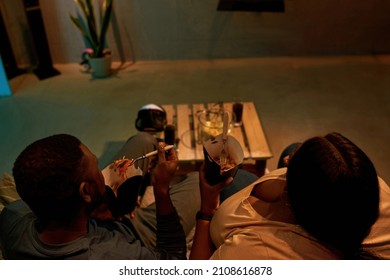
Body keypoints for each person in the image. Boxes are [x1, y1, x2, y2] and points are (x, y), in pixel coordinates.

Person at [0, 132, 200, 259]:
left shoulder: (14, 214)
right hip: (136, 236)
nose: (103, 170)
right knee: (200, 179)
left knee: (143, 140)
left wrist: (92, 211)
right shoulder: (111, 256)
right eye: (96, 165)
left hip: (93, 216)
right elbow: (173, 259)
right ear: (86, 191)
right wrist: (160, 188)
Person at [189, 132, 383, 259]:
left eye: (290, 165)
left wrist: (207, 209)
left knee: (237, 182)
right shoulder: (369, 190)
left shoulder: (255, 254)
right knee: (292, 146)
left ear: (290, 201)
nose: (286, 160)